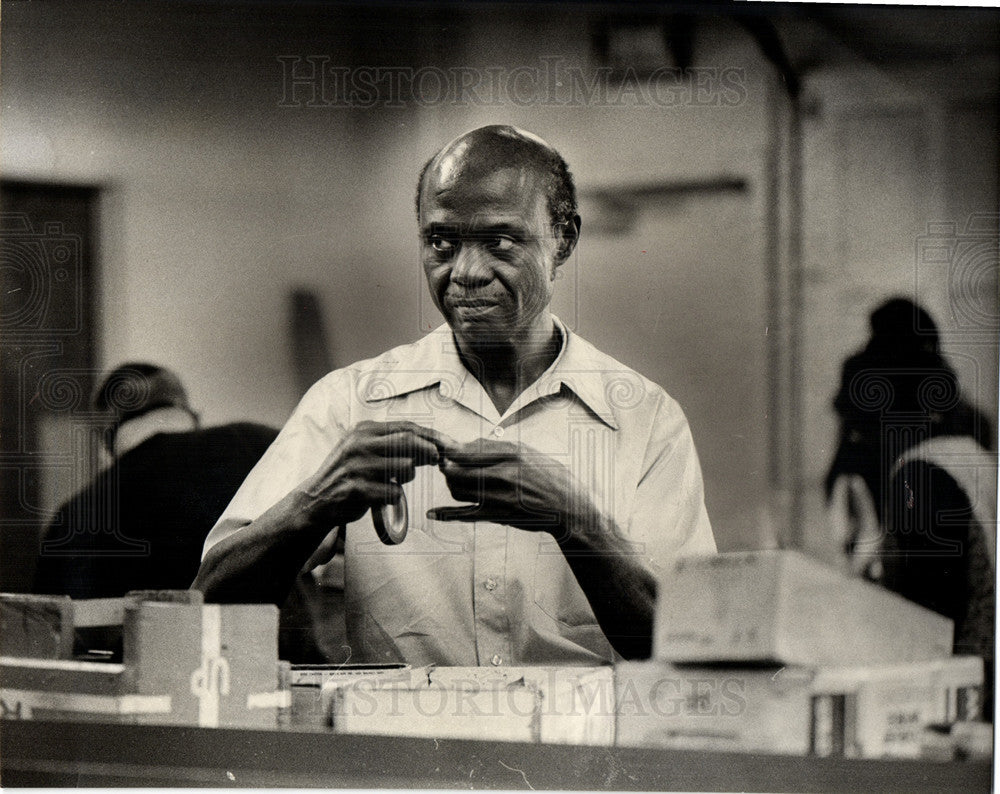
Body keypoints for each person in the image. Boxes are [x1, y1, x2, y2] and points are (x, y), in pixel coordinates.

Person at [194, 125, 716, 665]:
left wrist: (574, 521)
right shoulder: (350, 403)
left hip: (575, 747)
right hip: (405, 746)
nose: (465, 272)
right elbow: (207, 606)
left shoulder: (643, 418)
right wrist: (316, 501)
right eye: (441, 242)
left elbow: (692, 648)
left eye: (499, 242)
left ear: (563, 239)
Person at [826, 298, 996, 716]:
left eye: (862, 434)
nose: (859, 449)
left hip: (961, 702)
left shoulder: (917, 478)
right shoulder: (972, 458)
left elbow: (921, 633)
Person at [34, 363, 279, 600]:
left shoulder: (73, 517)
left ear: (106, 438)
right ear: (189, 411)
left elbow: (48, 624)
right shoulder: (259, 444)